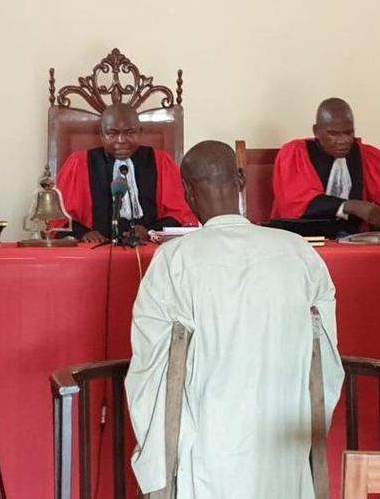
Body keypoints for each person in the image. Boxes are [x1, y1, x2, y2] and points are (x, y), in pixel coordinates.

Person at [126, 141, 343, 498]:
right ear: (241, 180)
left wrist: (155, 463)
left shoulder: (173, 260)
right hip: (284, 454)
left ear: (187, 192)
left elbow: (149, 370)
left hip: (206, 455)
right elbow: (327, 364)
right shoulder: (299, 252)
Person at [270, 97, 380, 238]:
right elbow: (296, 202)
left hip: (355, 241)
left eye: (349, 133)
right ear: (317, 131)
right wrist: (351, 206)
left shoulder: (366, 155)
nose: (344, 141)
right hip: (303, 242)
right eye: (334, 134)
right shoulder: (295, 153)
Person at [54, 103, 196, 242]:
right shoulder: (78, 164)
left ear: (140, 131)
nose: (121, 140)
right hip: (94, 251)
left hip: (149, 250)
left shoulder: (162, 162)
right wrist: (84, 234)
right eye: (112, 133)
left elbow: (182, 216)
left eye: (129, 132)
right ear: (101, 134)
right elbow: (57, 219)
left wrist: (150, 231)